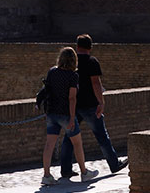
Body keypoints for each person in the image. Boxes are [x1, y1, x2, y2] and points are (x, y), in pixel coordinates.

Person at [59, 34, 128, 179]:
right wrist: (101, 102)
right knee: (102, 136)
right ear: (90, 47)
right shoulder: (92, 61)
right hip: (90, 105)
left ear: (77, 46)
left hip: (73, 105)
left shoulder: (71, 62)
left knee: (69, 138)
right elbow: (95, 83)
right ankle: (114, 164)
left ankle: (65, 169)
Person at [41, 46, 97, 185]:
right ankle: (84, 172)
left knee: (49, 145)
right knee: (77, 143)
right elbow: (72, 98)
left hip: (52, 113)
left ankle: (46, 175)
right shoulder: (73, 76)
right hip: (65, 114)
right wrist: (72, 117)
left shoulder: (52, 72)